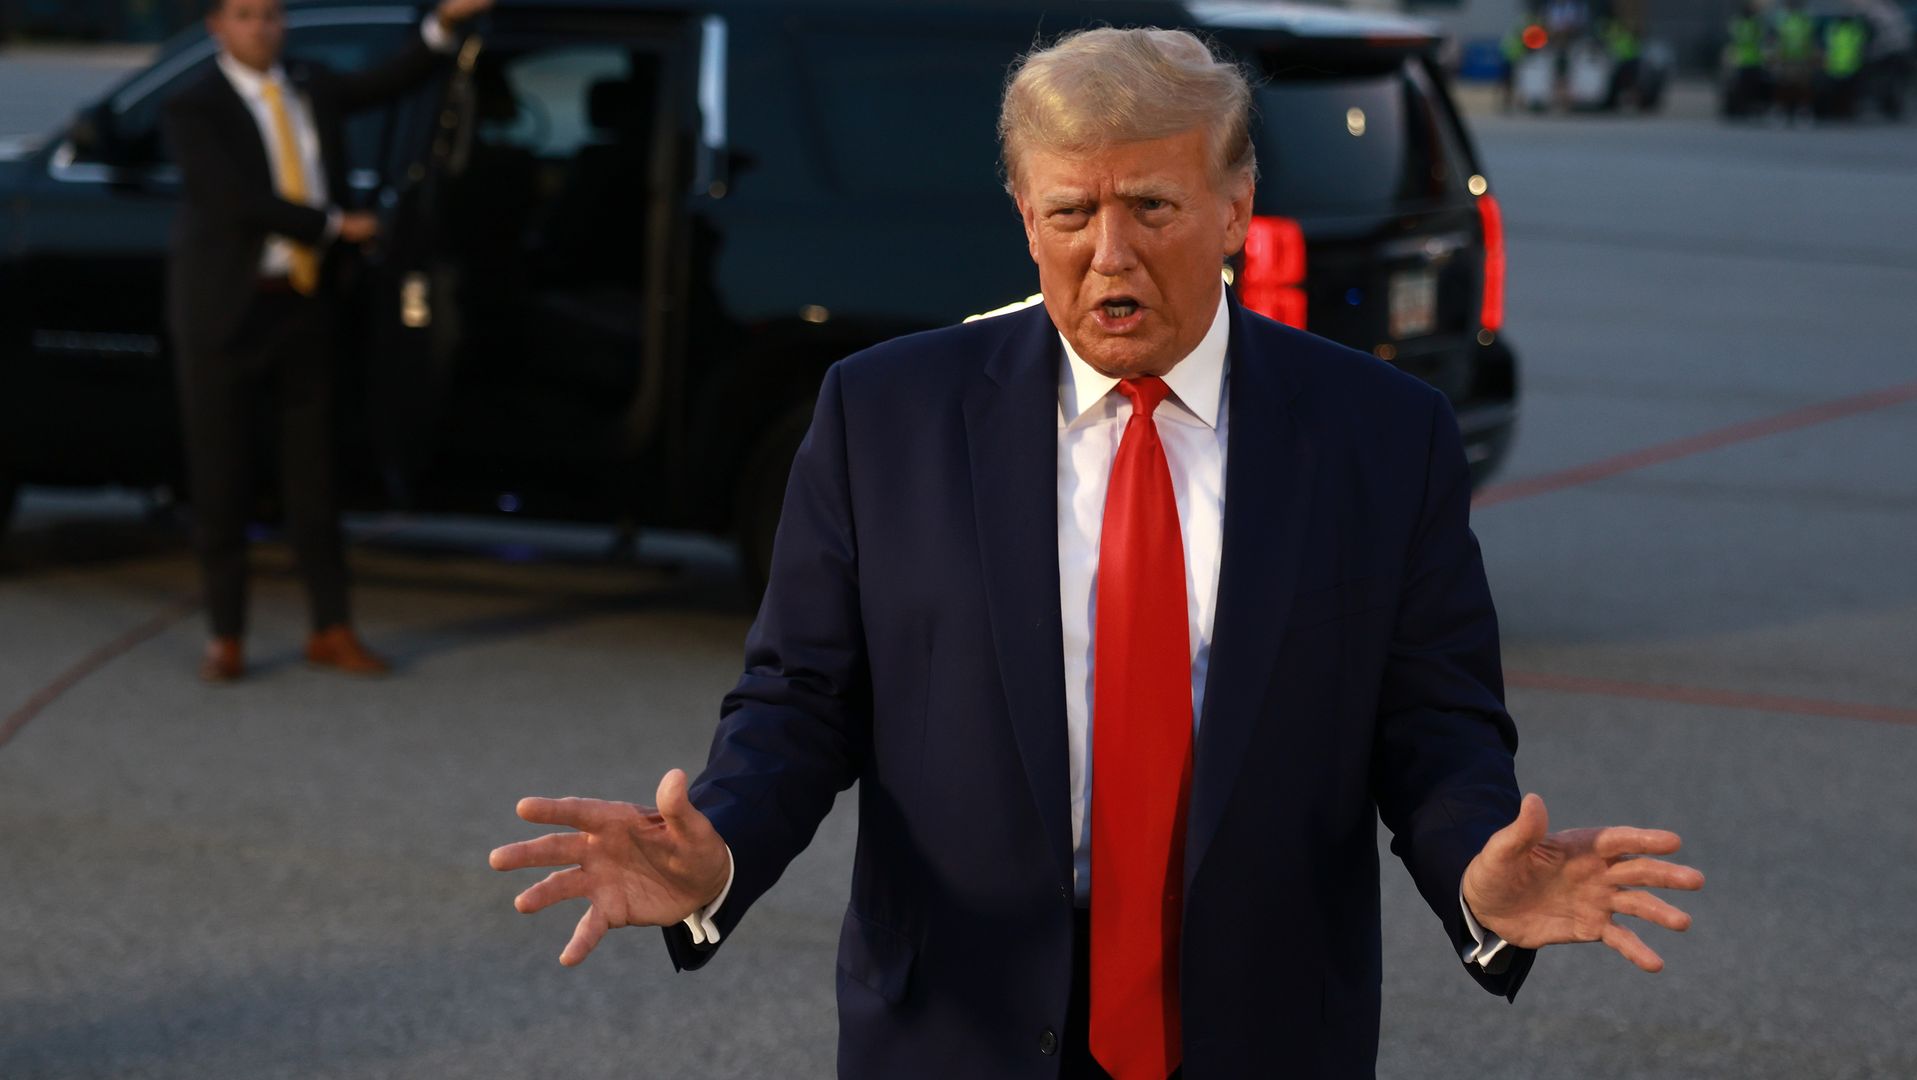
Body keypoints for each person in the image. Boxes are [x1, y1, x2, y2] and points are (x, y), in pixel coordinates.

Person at [490, 28, 1704, 1079]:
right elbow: (802, 699)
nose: (1109, 254)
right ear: (1025, 215)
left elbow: (1434, 724)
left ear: (1235, 207)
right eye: (1071, 212)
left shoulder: (1381, 437)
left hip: (1263, 1033)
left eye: (1154, 209)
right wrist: (722, 848)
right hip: (954, 1031)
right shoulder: (886, 415)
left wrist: (1478, 880)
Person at [162, 0, 492, 682]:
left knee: (314, 478)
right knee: (220, 477)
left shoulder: (309, 82)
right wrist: (335, 226)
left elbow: (387, 81)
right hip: (225, 315)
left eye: (272, 14)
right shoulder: (193, 106)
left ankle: (331, 627)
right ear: (218, 26)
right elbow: (234, 198)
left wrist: (444, 24)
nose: (263, 27)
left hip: (305, 311)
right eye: (246, 15)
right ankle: (226, 635)